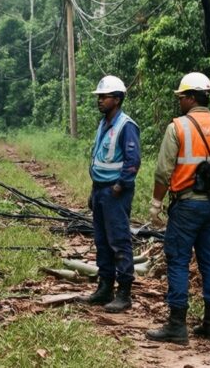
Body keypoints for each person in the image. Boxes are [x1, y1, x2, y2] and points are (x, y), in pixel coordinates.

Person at [146, 73, 210, 344]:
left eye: (181, 97)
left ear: (190, 98)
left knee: (178, 260)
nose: (179, 102)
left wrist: (156, 204)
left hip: (186, 204)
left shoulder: (177, 127)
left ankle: (177, 325)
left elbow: (163, 172)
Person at [81, 75, 141, 313]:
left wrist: (119, 186)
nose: (100, 100)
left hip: (116, 192)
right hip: (100, 189)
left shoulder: (126, 126)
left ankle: (124, 292)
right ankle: (104, 287)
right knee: (102, 240)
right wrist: (94, 190)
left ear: (117, 99)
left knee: (119, 241)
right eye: (99, 97)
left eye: (104, 97)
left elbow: (133, 161)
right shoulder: (103, 123)